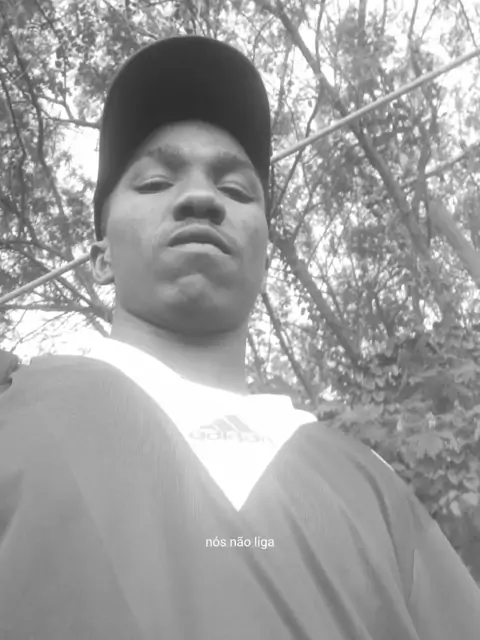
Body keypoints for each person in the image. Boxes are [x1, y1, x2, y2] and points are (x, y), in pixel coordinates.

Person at [0, 35, 479, 640]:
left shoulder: (376, 488)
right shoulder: (13, 409)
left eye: (235, 190)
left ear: (265, 255)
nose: (201, 198)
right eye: (155, 183)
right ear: (99, 258)